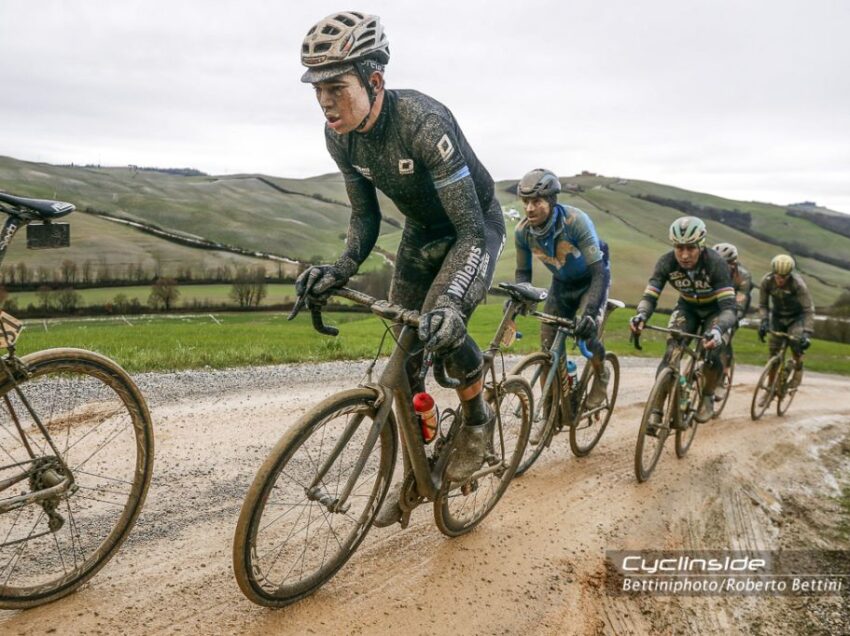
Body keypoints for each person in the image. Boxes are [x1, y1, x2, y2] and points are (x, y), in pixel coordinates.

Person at [295, 12, 506, 525]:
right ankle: (419, 471)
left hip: (470, 230)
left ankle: (479, 419)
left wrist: (452, 301)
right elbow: (365, 215)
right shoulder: (339, 136)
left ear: (374, 81)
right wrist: (341, 267)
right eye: (317, 87)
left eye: (336, 86)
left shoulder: (423, 123)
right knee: (405, 357)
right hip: (419, 234)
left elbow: (470, 232)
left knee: (443, 324)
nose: (325, 101)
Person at [513, 169, 611, 408]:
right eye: (526, 202)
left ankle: (601, 375)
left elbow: (600, 271)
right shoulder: (522, 232)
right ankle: (551, 409)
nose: (529, 208)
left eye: (536, 201)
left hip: (591, 280)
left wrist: (589, 313)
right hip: (561, 284)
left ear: (552, 200)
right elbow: (523, 273)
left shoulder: (576, 221)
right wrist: (518, 297)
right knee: (548, 348)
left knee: (587, 335)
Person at [629, 217, 736, 423]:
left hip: (715, 311)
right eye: (679, 248)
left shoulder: (716, 264)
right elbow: (650, 297)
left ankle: (706, 396)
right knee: (671, 353)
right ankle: (657, 408)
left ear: (701, 245)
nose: (684, 255)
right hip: (687, 308)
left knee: (713, 353)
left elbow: (729, 309)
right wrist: (641, 315)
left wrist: (718, 330)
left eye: (690, 248)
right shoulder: (667, 262)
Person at [757, 254, 814, 390]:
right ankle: (770, 387)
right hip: (777, 317)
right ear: (773, 273)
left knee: (796, 345)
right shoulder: (767, 281)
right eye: (777, 276)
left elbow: (808, 310)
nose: (780, 280)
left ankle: (798, 369)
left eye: (784, 277)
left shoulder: (798, 285)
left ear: (789, 275)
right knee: (773, 352)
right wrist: (764, 321)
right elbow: (763, 305)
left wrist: (807, 333)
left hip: (796, 318)